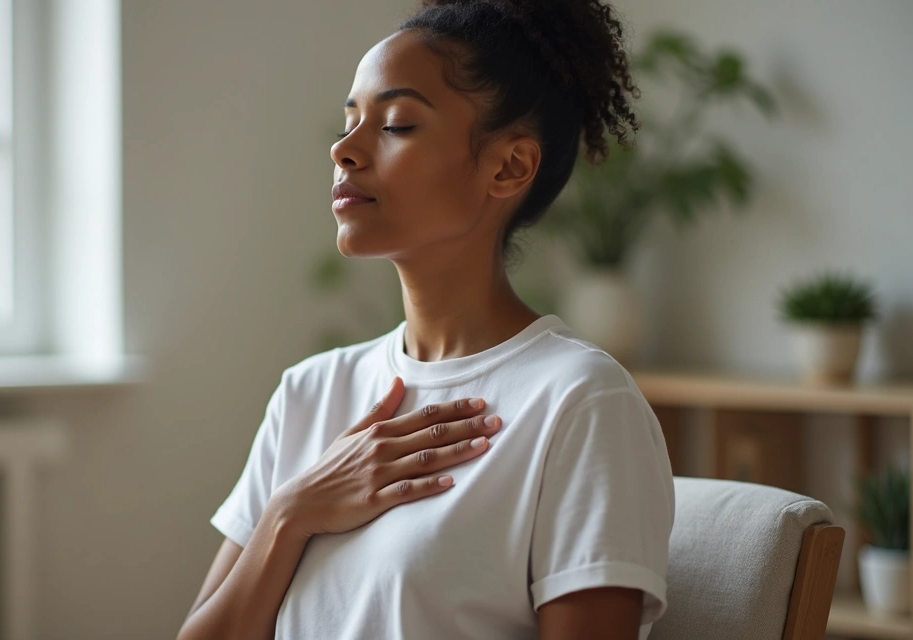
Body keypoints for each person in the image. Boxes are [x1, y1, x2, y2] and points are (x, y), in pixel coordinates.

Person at [177, 0, 674, 638]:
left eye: (397, 125)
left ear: (508, 167)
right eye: (350, 121)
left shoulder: (579, 402)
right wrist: (290, 514)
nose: (343, 149)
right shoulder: (309, 393)